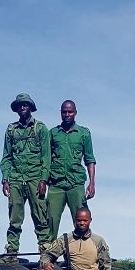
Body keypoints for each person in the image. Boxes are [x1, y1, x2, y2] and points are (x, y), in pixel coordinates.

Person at [0, 93, 51, 258]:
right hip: (15, 179)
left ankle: (45, 251)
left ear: (30, 107)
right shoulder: (11, 129)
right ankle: (11, 251)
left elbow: (46, 157)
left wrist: (44, 179)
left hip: (35, 178)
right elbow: (7, 156)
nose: (22, 107)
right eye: (20, 105)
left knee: (40, 216)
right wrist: (5, 179)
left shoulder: (40, 128)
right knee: (14, 218)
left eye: (25, 105)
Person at [40, 206, 112, 270]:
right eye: (79, 220)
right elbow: (46, 255)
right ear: (75, 220)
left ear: (90, 220)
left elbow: (106, 267)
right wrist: (46, 264)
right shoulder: (65, 239)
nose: (82, 223)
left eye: (85, 220)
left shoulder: (98, 241)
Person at [47, 100, 96, 240]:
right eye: (64, 112)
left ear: (75, 113)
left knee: (81, 220)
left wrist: (92, 183)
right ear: (60, 113)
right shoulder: (53, 133)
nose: (67, 114)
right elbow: (46, 159)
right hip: (56, 183)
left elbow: (90, 159)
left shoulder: (83, 133)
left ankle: (82, 249)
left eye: (70, 112)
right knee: (50, 219)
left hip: (76, 183)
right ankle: (48, 251)